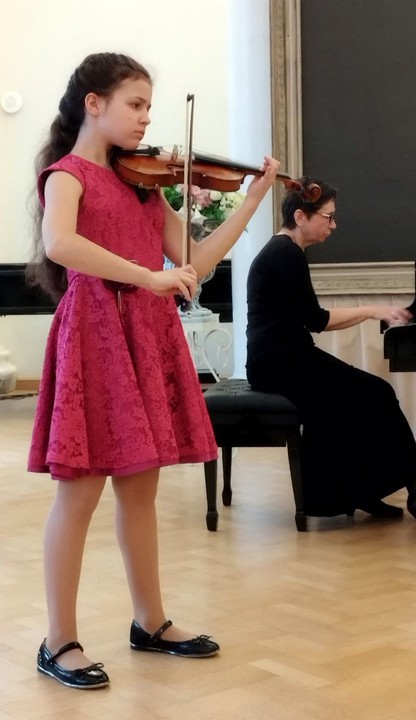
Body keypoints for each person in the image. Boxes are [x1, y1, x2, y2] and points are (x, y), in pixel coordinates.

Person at [27, 52, 280, 690]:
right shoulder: (67, 175)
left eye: (148, 107)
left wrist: (251, 202)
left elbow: (194, 258)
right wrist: (147, 277)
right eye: (134, 104)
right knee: (80, 490)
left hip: (143, 330)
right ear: (94, 103)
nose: (145, 119)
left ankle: (151, 621)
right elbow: (61, 244)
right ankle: (57, 641)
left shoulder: (143, 183)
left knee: (141, 487)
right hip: (96, 330)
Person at [246, 177, 416, 522]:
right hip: (279, 362)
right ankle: (407, 490)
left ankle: (360, 492)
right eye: (329, 217)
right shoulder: (285, 254)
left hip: (281, 358)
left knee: (362, 398)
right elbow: (317, 320)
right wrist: (373, 310)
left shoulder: (285, 251)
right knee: (378, 393)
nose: (333, 225)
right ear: (300, 217)